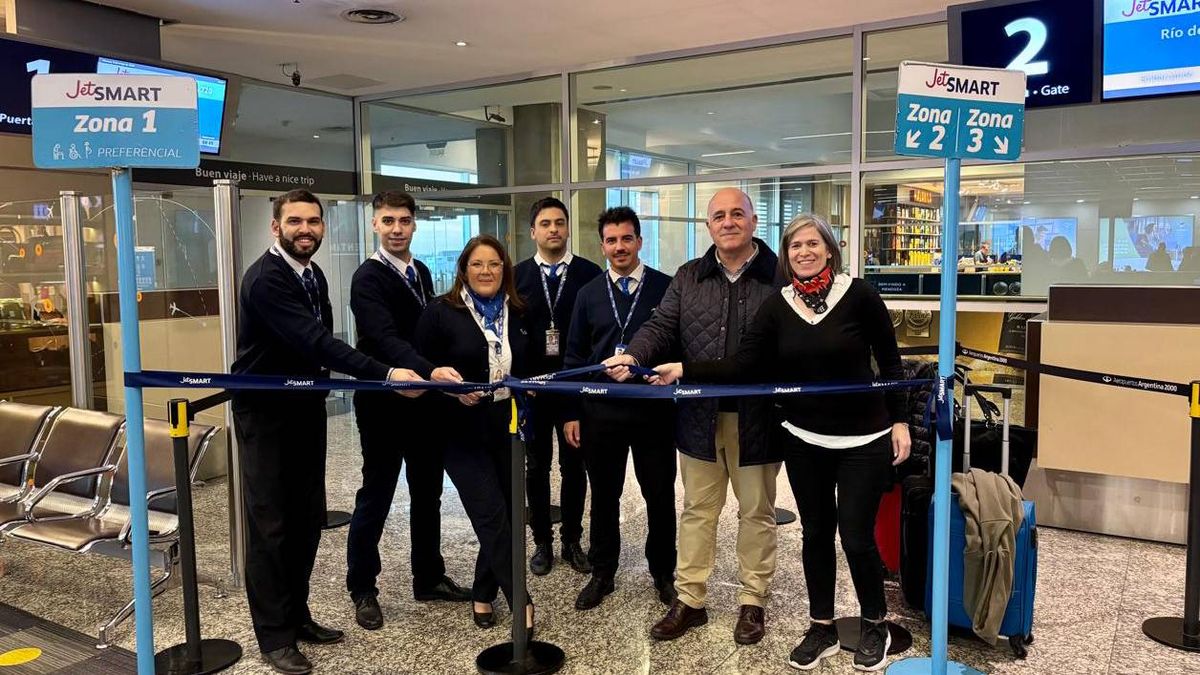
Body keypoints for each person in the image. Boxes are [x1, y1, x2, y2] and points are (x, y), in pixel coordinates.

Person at [649, 214, 912, 671]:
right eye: (795, 247)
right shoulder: (779, 304)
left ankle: (874, 626)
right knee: (815, 536)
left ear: (829, 249)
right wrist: (684, 370)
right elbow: (744, 365)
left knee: (855, 536)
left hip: (863, 440)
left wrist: (901, 422)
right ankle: (822, 626)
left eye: (813, 244)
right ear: (787, 256)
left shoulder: (861, 296)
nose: (804, 252)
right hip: (804, 440)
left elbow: (890, 365)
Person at [232, 189, 433, 675]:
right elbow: (317, 340)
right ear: (274, 227)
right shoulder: (266, 280)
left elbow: (318, 349)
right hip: (267, 415)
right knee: (271, 527)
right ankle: (274, 636)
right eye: (295, 221)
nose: (307, 230)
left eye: (314, 222)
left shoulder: (312, 273)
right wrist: (385, 373)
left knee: (305, 521)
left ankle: (297, 617)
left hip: (304, 409)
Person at [605, 187, 782, 646]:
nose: (728, 222)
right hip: (699, 419)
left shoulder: (779, 276)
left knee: (756, 512)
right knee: (698, 512)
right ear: (708, 226)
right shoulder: (689, 276)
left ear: (753, 222)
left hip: (757, 420)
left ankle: (753, 601)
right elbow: (662, 326)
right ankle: (690, 600)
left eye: (737, 214)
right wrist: (633, 354)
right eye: (719, 215)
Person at [345, 190, 470, 633]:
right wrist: (431, 369)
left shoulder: (417, 271)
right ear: (375, 225)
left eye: (404, 221)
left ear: (414, 225)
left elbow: (428, 331)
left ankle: (429, 577)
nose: (396, 229)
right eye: (388, 221)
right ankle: (362, 587)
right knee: (376, 495)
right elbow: (383, 339)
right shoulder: (368, 278)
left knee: (427, 493)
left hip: (424, 405)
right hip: (383, 405)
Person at [414, 234, 536, 634]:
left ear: (506, 270)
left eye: (495, 265)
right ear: (464, 270)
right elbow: (421, 371)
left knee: (508, 510)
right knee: (490, 513)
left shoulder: (518, 311)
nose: (487, 272)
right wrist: (449, 391)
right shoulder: (439, 312)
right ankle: (521, 601)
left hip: (507, 424)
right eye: (478, 264)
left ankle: (483, 593)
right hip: (457, 428)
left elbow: (531, 363)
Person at [562, 206, 677, 611]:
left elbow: (677, 345)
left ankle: (663, 572)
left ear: (640, 242)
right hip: (600, 412)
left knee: (659, 495)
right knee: (604, 495)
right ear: (602, 246)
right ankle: (603, 571)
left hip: (652, 411)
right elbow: (574, 354)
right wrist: (571, 412)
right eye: (611, 240)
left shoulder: (666, 288)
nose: (619, 247)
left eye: (626, 238)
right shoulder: (588, 293)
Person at [513, 197, 603, 575]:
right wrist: (521, 376)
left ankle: (571, 539)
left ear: (568, 228)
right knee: (536, 468)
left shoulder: (589, 272)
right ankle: (542, 543)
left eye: (560, 223)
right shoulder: (515, 276)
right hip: (533, 391)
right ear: (533, 232)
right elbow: (507, 334)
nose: (554, 229)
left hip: (574, 389)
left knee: (574, 466)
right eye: (546, 223)